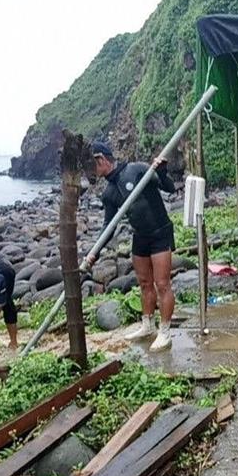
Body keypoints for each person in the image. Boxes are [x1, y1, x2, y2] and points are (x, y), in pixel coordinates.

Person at [85, 141, 176, 351]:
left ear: (102, 159)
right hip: (140, 237)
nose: (91, 171)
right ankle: (147, 325)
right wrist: (94, 252)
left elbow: (169, 188)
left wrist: (162, 172)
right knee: (144, 283)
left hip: (160, 233)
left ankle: (165, 331)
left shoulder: (136, 170)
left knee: (162, 284)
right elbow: (109, 225)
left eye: (93, 164)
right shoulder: (108, 193)